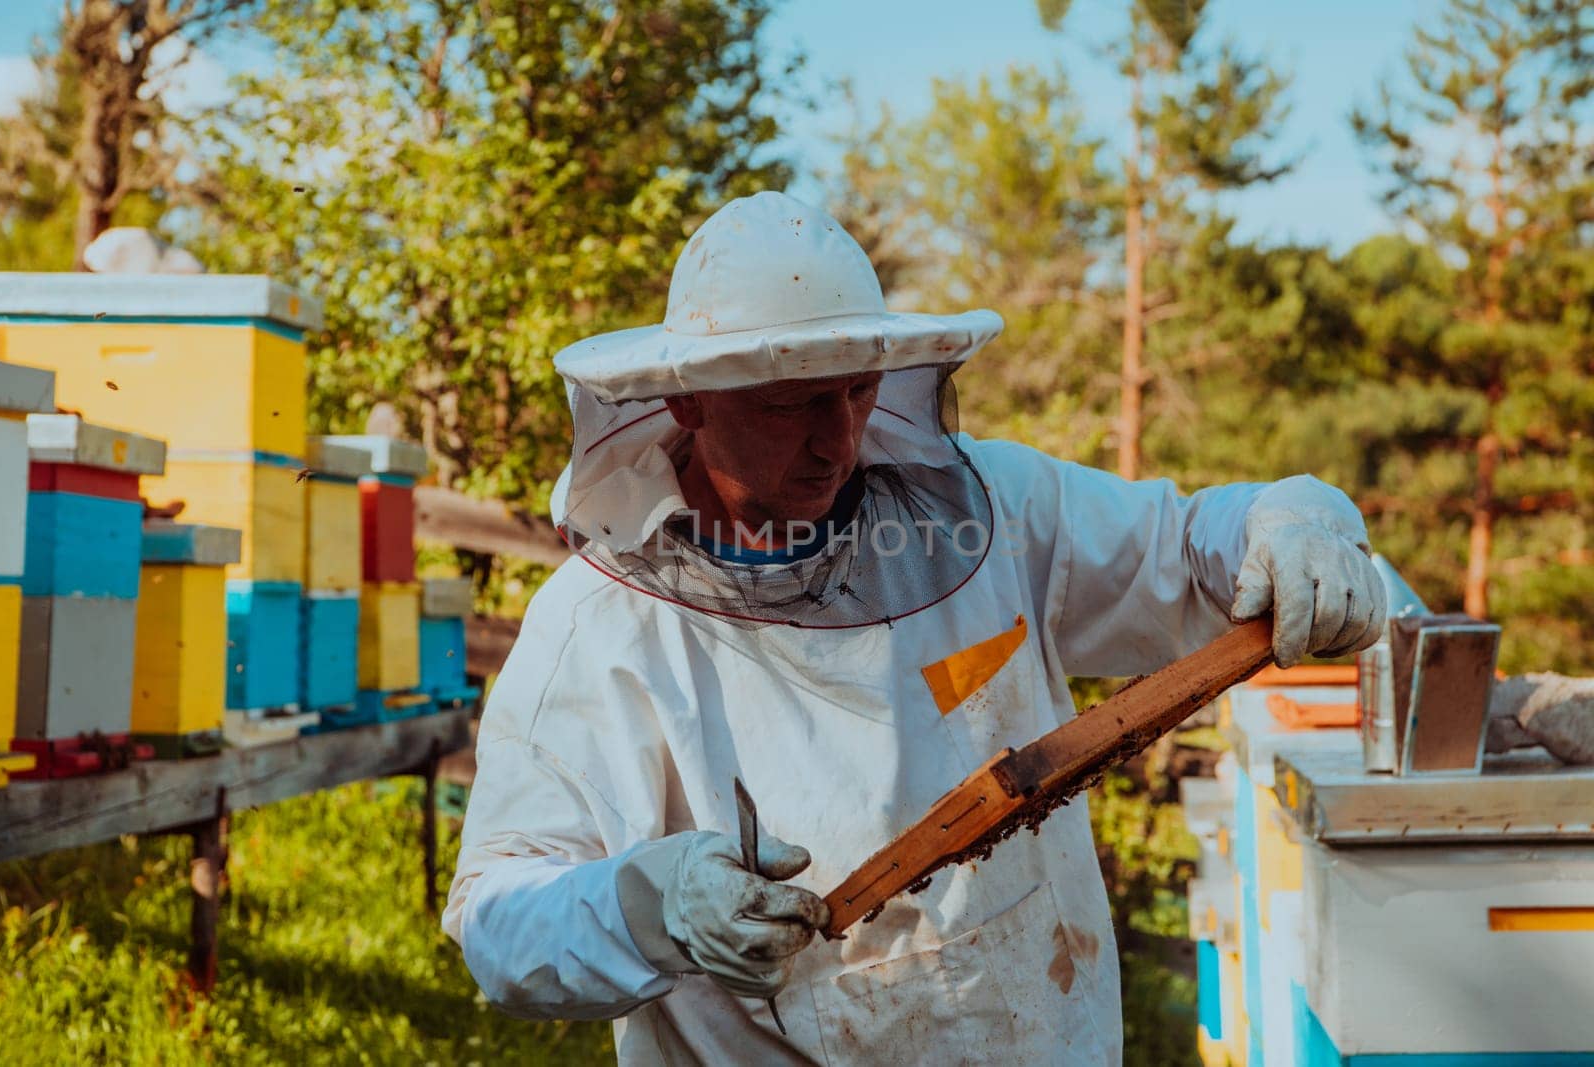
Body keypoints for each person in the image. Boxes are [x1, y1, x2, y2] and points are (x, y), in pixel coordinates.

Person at [442, 191, 1386, 1065]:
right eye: (790, 405)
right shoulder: (601, 624)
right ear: (686, 400)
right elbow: (499, 916)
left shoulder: (993, 512)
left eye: (856, 392)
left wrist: (1293, 520)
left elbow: (1187, 544)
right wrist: (655, 907)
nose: (837, 438)